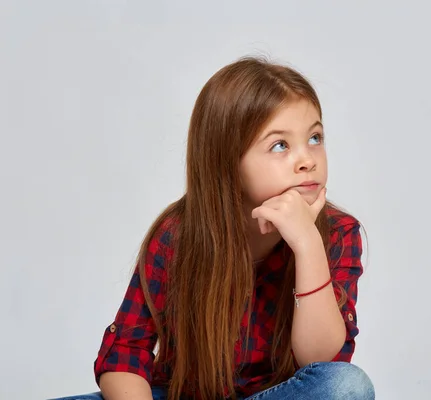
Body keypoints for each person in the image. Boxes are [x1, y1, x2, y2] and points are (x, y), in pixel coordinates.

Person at [52, 56, 374, 400]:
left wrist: (308, 245)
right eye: (280, 145)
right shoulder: (179, 234)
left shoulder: (337, 233)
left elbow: (322, 361)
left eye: (315, 137)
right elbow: (126, 355)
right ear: (228, 161)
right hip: (184, 396)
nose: (307, 159)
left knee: (346, 385)